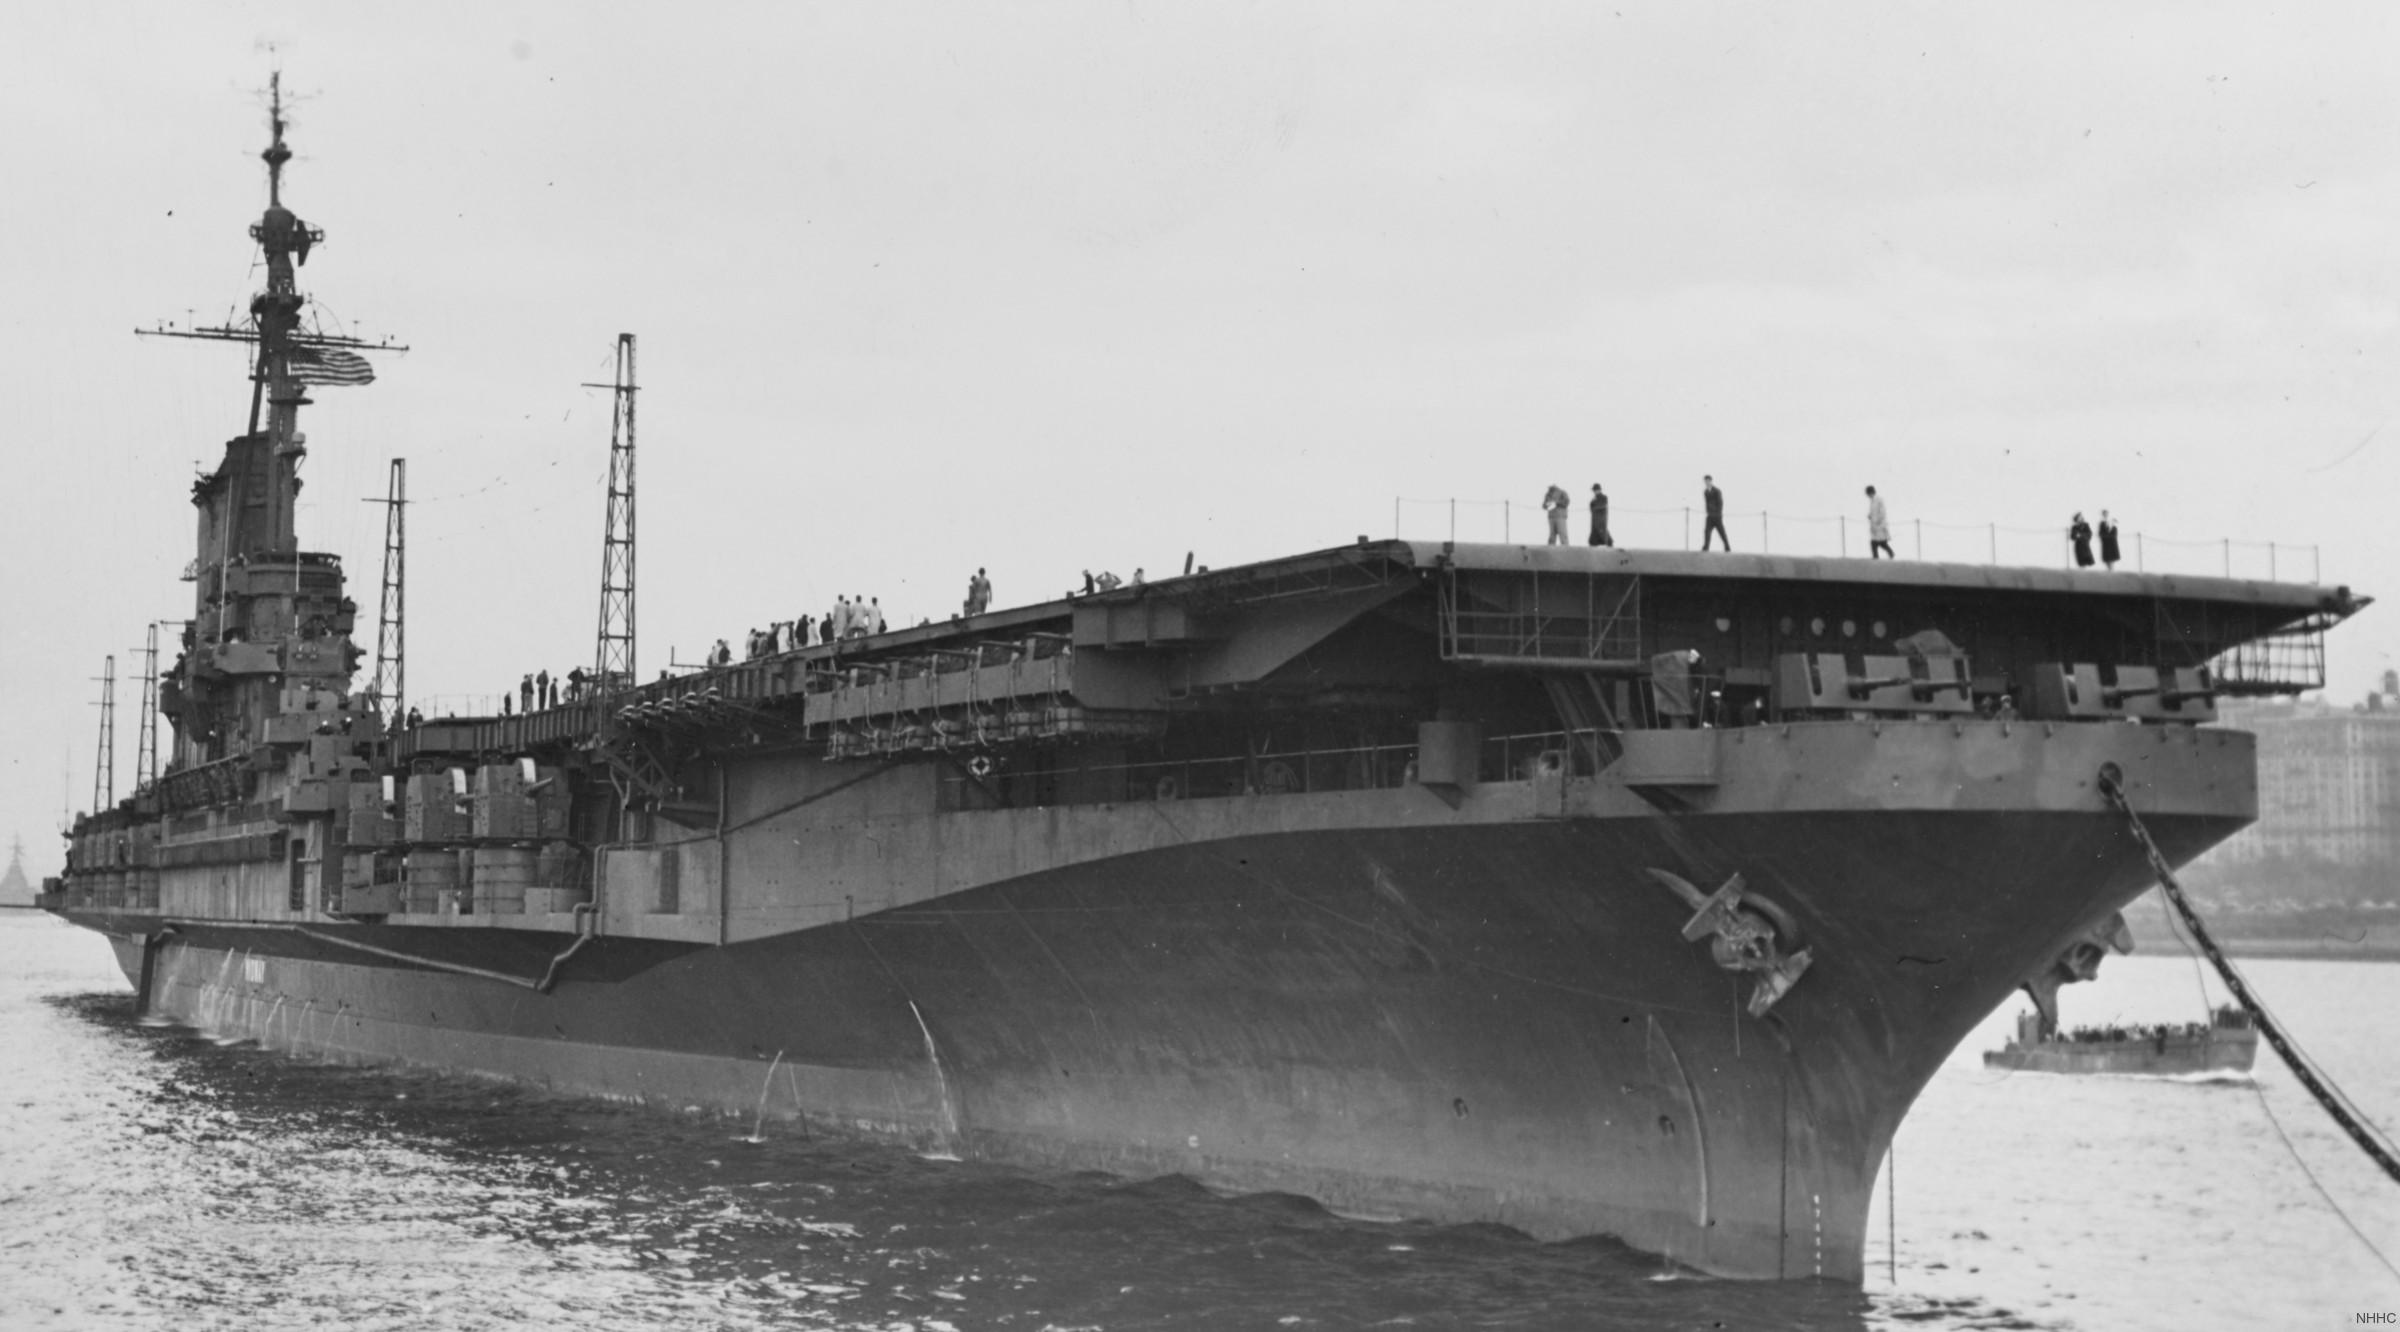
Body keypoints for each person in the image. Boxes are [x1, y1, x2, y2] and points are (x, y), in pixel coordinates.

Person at [1701, 475, 1730, 551]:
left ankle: (1727, 547)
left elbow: (1720, 503)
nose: (1707, 483)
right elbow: (1707, 503)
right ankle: (1706, 547)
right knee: (1707, 531)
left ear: (1711, 481)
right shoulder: (1705, 492)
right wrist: (1708, 512)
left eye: (1708, 481)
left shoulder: (1717, 491)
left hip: (1717, 516)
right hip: (1710, 516)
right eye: (1705, 481)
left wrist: (1718, 514)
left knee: (1721, 532)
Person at [1865, 486, 1893, 559]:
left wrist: (1878, 520)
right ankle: (1879, 556)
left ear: (1871, 492)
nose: (1868, 496)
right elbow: (1874, 512)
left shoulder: (1879, 500)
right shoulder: (1872, 501)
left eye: (1868, 494)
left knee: (1877, 543)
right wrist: (1870, 515)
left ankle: (1887, 554)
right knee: (1877, 542)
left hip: (1880, 525)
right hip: (1875, 525)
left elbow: (1882, 512)